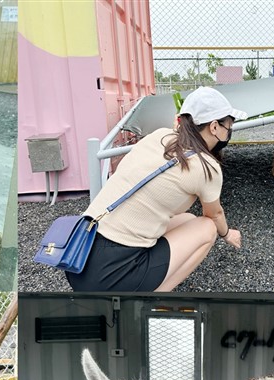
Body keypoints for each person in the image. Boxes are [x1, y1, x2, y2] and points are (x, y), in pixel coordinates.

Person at [66, 86, 247, 292]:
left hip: (80, 256)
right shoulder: (205, 166)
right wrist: (227, 234)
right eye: (228, 125)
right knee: (207, 228)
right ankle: (150, 298)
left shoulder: (159, 136)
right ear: (214, 127)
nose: (229, 131)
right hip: (113, 275)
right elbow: (214, 214)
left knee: (188, 220)